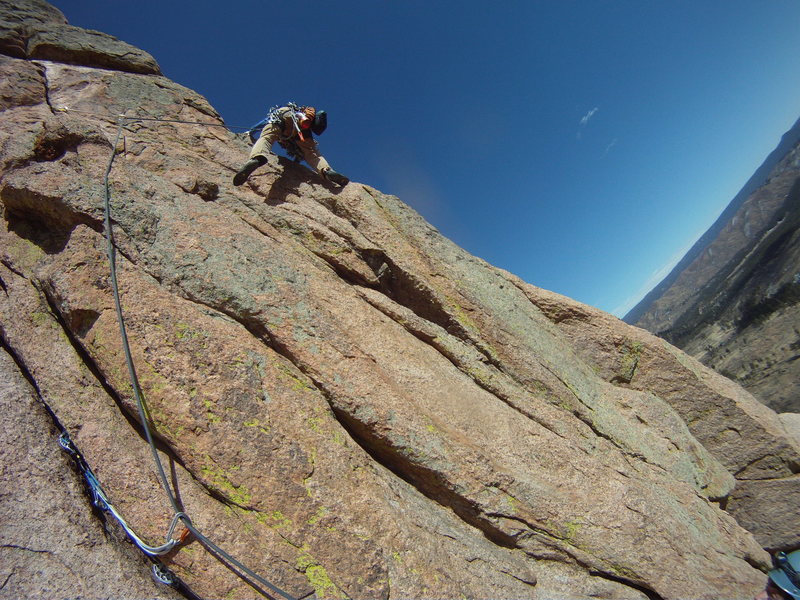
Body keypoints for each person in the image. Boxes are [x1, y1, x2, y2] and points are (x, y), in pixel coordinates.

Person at [233, 103, 349, 187]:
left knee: (267, 137)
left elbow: (266, 121)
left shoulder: (292, 110)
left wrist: (251, 131)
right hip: (302, 131)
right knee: (313, 155)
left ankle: (258, 157)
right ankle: (326, 170)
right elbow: (300, 154)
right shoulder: (306, 122)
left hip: (284, 118)